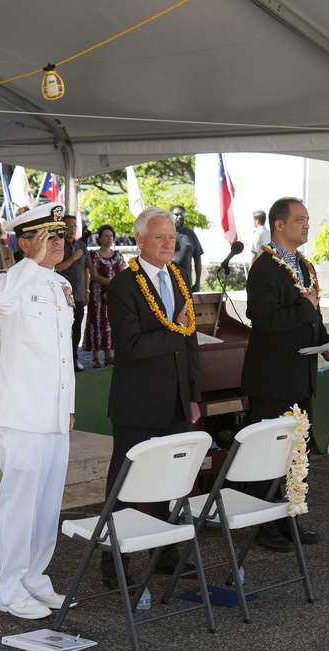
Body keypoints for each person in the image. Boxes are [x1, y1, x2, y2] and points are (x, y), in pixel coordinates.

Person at [0, 203, 75, 620]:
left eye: (60, 235)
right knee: (18, 503)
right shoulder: (11, 283)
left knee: (47, 503)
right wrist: (30, 261)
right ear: (24, 242)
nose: (59, 243)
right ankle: (10, 589)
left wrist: (67, 407)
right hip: (19, 413)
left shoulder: (60, 285)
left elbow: (62, 357)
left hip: (53, 413)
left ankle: (36, 578)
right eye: (48, 237)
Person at [102, 205, 202, 586]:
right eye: (159, 237)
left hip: (175, 399)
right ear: (139, 240)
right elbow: (130, 345)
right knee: (124, 484)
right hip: (137, 402)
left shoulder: (177, 278)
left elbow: (189, 344)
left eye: (171, 237)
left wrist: (192, 395)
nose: (167, 243)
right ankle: (112, 563)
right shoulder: (123, 285)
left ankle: (163, 552)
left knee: (166, 482)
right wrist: (175, 332)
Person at [240, 196, 329, 549]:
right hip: (273, 377)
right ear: (278, 225)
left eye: (308, 219)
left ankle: (288, 518)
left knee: (295, 455)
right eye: (300, 219)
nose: (307, 225)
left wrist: (326, 341)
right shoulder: (265, 268)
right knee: (268, 455)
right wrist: (304, 305)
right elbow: (265, 321)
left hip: (301, 376)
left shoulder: (305, 266)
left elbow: (313, 316)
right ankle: (262, 526)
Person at [84, 224, 125, 368]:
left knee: (110, 323)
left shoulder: (118, 255)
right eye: (106, 236)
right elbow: (94, 275)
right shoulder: (94, 255)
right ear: (99, 238)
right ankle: (96, 358)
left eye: (111, 236)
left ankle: (109, 356)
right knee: (96, 322)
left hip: (113, 296)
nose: (109, 239)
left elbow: (123, 275)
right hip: (97, 295)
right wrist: (111, 283)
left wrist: (114, 288)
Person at [55, 214, 91, 371]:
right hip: (62, 296)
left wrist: (87, 289)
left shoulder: (82, 245)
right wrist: (74, 257)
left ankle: (74, 360)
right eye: (68, 225)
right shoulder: (57, 244)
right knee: (62, 330)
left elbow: (86, 270)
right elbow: (57, 268)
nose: (72, 229)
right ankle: (61, 363)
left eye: (74, 225)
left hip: (79, 294)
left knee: (76, 330)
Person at [169, 204, 204, 291]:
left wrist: (197, 282)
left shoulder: (190, 234)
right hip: (168, 283)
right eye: (177, 214)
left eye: (182, 214)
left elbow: (197, 257)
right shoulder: (164, 233)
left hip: (186, 284)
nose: (180, 217)